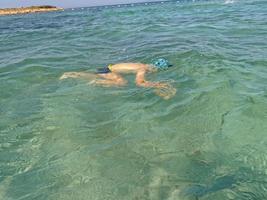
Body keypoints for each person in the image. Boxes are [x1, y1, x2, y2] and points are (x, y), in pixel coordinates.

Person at [60, 58, 176, 99]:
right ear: (155, 68)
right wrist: (157, 85)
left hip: (107, 68)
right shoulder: (143, 70)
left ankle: (71, 74)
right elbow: (139, 83)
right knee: (122, 83)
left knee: (95, 74)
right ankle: (97, 82)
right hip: (109, 71)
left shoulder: (141, 64)